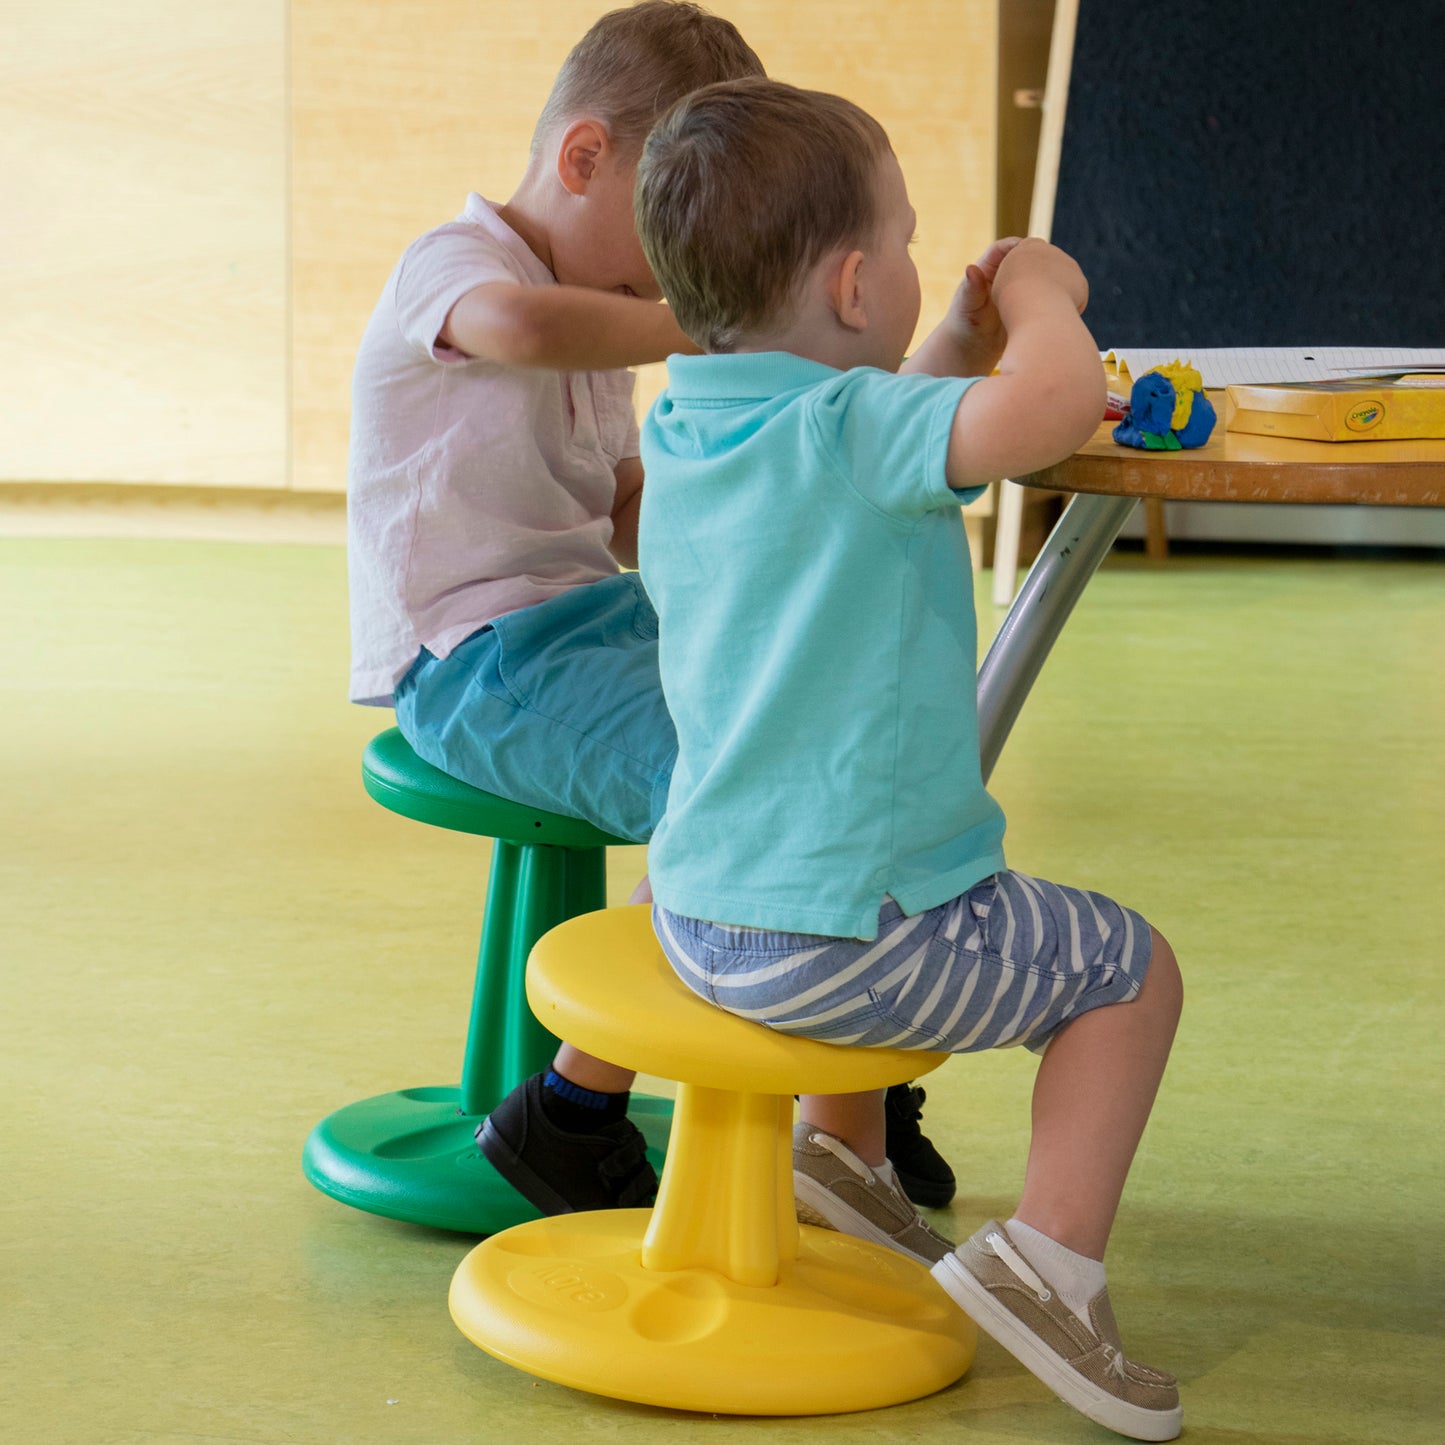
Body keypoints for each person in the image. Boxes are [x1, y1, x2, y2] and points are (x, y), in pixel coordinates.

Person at [633, 78, 1185, 1442]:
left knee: (872, 876)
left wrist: (946, 332)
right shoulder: (851, 432)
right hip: (841, 937)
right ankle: (1047, 1265)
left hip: (703, 910)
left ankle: (842, 1153)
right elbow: (1047, 408)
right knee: (1129, 971)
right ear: (850, 280)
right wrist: (1047, 298)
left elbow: (880, 429)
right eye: (909, 241)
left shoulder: (698, 424)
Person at [345, 4, 955, 1224]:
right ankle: (576, 1113)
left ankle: (849, 1079)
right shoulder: (463, 267)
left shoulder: (599, 326)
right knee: (736, 789)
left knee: (837, 738)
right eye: (671, 226)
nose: (684, 262)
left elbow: (631, 510)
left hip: (596, 622)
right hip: (474, 656)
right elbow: (519, 330)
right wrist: (726, 316)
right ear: (582, 159)